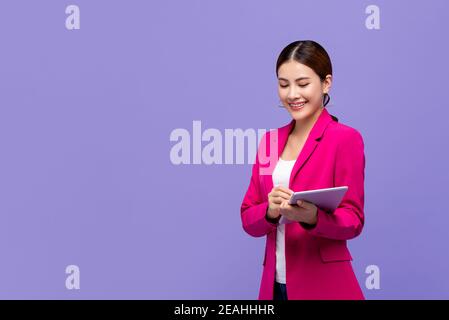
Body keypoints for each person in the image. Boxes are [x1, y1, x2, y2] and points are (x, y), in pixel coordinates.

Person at [240, 40, 366, 300]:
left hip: (325, 285)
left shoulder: (345, 139)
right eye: (284, 85)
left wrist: (313, 217)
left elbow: (353, 220)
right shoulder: (270, 142)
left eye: (303, 83)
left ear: (326, 83)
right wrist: (270, 211)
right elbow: (248, 218)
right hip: (275, 285)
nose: (292, 94)